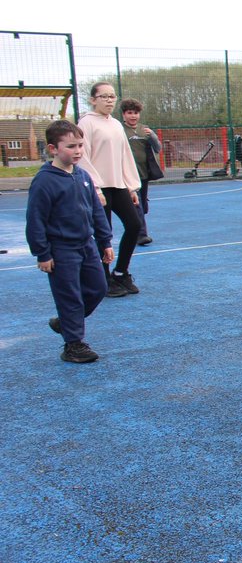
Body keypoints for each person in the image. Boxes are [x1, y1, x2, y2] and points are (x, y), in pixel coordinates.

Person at [25, 120, 114, 363]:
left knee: (98, 288)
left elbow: (96, 210)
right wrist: (42, 253)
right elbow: (35, 219)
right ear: (53, 149)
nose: (77, 151)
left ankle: (66, 321)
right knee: (70, 296)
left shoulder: (82, 176)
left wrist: (104, 240)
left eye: (80, 146)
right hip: (61, 250)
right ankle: (73, 345)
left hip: (86, 245)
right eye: (71, 146)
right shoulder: (45, 181)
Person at [78, 82, 142, 297]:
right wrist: (94, 187)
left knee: (134, 225)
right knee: (103, 234)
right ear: (93, 99)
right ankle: (103, 279)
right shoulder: (86, 124)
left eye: (112, 96)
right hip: (99, 188)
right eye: (104, 96)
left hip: (118, 185)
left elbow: (125, 155)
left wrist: (131, 186)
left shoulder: (115, 124)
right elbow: (83, 157)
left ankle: (121, 272)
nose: (109, 100)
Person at [119, 99, 161, 246]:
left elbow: (158, 148)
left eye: (136, 113)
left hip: (143, 174)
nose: (133, 116)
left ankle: (135, 229)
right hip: (128, 175)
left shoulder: (145, 130)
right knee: (137, 205)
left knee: (142, 206)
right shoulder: (120, 130)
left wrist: (153, 136)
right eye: (129, 113)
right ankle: (141, 234)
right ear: (124, 114)